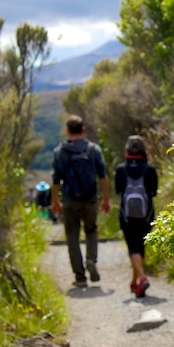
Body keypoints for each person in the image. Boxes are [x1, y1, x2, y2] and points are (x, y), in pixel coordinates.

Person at [52, 115, 110, 287]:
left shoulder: (60, 152)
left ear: (67, 131)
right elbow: (103, 177)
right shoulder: (93, 150)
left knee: (72, 236)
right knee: (91, 231)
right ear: (83, 130)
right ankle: (91, 260)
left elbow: (56, 180)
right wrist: (106, 199)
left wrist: (55, 200)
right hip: (90, 199)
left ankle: (80, 277)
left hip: (70, 200)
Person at [115, 135, 158, 298]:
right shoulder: (150, 170)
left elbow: (118, 191)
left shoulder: (121, 170)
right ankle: (136, 282)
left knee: (133, 247)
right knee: (140, 247)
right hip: (146, 215)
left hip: (126, 215)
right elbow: (153, 192)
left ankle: (140, 278)